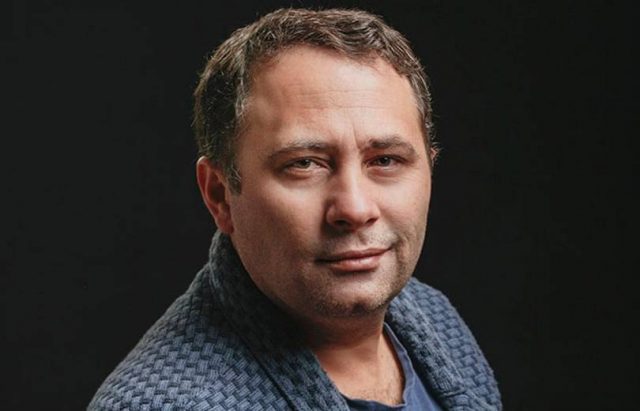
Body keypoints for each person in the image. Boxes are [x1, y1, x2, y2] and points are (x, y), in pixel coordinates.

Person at [90, 8, 501, 410]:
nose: (355, 208)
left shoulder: (436, 318)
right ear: (219, 194)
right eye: (304, 164)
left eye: (386, 160)